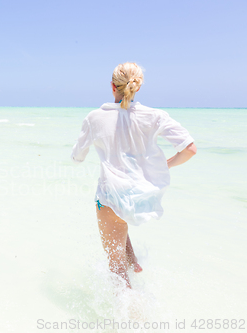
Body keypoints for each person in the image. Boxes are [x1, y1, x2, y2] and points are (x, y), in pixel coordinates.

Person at [70, 62, 197, 288]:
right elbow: (189, 149)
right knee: (122, 217)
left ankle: (131, 319)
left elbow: (77, 157)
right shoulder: (155, 116)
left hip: (110, 199)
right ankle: (134, 261)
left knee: (117, 272)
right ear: (137, 87)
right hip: (142, 198)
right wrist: (162, 166)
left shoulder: (94, 117)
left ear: (112, 86)